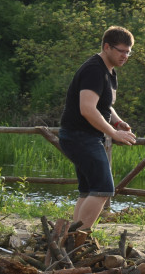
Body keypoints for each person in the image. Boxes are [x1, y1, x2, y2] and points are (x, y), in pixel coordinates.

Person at [58, 27, 139, 229]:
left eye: (128, 52)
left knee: (88, 190)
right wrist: (114, 133)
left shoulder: (108, 71)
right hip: (79, 136)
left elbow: (104, 106)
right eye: (121, 50)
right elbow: (87, 108)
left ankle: (71, 236)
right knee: (103, 189)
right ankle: (79, 238)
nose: (125, 56)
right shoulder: (94, 70)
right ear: (106, 46)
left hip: (85, 137)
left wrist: (118, 122)